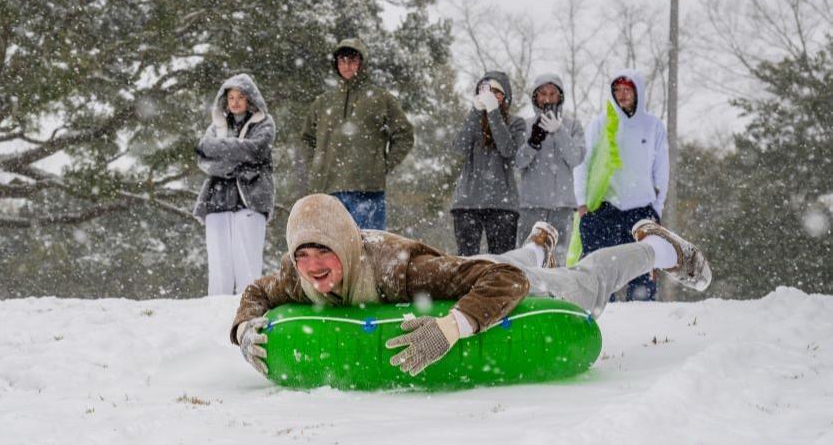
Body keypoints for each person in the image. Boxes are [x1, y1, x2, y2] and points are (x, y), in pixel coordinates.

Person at [233, 194, 711, 379]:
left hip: (501, 284)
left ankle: (661, 248)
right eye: (303, 255)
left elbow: (508, 280)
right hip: (477, 269)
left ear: (345, 245)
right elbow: (257, 292)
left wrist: (453, 327)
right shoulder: (298, 277)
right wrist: (242, 331)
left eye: (324, 252)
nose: (314, 266)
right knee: (498, 259)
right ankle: (537, 243)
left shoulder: (400, 269)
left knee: (583, 282)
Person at [572, 69, 669, 301]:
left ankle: (642, 322)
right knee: (599, 273)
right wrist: (582, 203)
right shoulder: (600, 124)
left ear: (638, 92)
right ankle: (600, 320)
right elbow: (582, 164)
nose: (622, 95)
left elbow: (661, 170)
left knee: (642, 272)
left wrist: (657, 207)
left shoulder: (653, 126)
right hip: (603, 209)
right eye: (617, 90)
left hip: (641, 211)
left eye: (627, 90)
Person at [300, 38, 414, 230]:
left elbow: (404, 134)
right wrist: (318, 165)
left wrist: (383, 165)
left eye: (352, 60)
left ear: (362, 63)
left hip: (368, 190)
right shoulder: (323, 102)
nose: (346, 65)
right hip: (327, 190)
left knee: (369, 250)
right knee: (331, 251)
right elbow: (306, 138)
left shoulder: (380, 98)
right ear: (336, 64)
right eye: (342, 60)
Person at [193, 74, 275, 295]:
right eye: (231, 97)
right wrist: (236, 157)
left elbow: (255, 150)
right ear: (225, 100)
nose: (236, 102)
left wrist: (222, 151)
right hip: (217, 199)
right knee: (219, 268)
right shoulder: (216, 126)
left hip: (251, 199)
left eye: (241, 96)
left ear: (250, 99)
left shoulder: (264, 123)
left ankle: (248, 314)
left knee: (248, 267)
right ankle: (215, 318)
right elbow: (203, 154)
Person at [450, 71, 526, 256]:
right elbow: (459, 148)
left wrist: (493, 113)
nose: (489, 95)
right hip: (467, 202)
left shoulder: (517, 123)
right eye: (485, 90)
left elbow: (509, 150)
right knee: (467, 263)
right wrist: (475, 112)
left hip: (503, 203)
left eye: (496, 91)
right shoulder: (472, 120)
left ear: (504, 97)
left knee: (501, 264)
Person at [515, 73, 586, 267]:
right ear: (535, 97)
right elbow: (518, 162)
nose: (547, 98)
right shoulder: (525, 125)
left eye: (552, 93)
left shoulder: (572, 126)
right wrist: (533, 142)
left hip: (561, 206)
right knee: (528, 257)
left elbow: (576, 158)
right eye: (543, 93)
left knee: (558, 259)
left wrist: (559, 130)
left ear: (560, 97)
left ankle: (555, 295)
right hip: (531, 205)